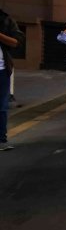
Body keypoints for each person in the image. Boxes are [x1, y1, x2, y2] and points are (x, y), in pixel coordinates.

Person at [0, 8, 25, 151]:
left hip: (2, 70)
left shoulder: (6, 20)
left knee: (1, 107)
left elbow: (17, 42)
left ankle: (1, 140)